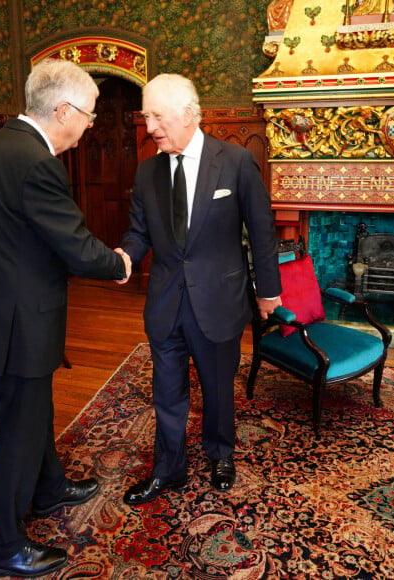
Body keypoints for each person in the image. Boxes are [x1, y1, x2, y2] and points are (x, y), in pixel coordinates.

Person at [0, 59, 131, 578]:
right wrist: (119, 263)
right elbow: (77, 249)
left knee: (34, 413)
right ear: (63, 110)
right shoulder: (38, 163)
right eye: (89, 114)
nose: (90, 125)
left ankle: (49, 486)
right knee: (16, 431)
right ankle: (3, 545)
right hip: (20, 323)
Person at [120, 74, 282, 506]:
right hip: (165, 303)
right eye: (146, 115)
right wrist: (125, 258)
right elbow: (139, 234)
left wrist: (268, 291)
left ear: (189, 114)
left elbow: (262, 232)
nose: (150, 125)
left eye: (158, 116)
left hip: (219, 300)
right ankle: (168, 469)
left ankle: (220, 454)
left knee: (217, 388)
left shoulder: (235, 161)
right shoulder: (147, 172)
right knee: (167, 392)